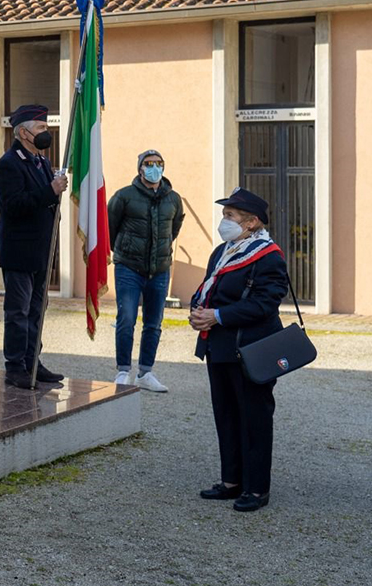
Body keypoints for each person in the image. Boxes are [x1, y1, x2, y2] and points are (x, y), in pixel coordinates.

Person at [189, 188, 289, 513]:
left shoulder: (268, 255)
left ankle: (257, 488)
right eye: (224, 215)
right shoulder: (222, 251)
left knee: (254, 418)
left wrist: (217, 316)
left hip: (251, 347)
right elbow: (209, 286)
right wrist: (198, 312)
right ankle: (231, 481)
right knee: (226, 415)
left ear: (251, 223)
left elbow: (265, 302)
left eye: (230, 216)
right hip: (219, 346)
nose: (224, 221)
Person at [0, 104, 68, 390]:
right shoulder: (9, 164)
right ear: (23, 132)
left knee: (37, 309)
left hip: (40, 250)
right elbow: (13, 206)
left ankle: (32, 360)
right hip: (20, 251)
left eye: (46, 129)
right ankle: (15, 367)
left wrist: (52, 190)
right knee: (18, 311)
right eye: (40, 129)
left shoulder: (41, 162)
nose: (45, 134)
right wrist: (50, 191)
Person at [106, 149, 183, 392]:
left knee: (154, 323)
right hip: (128, 267)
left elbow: (174, 228)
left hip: (159, 270)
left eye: (158, 163)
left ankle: (145, 372)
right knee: (126, 319)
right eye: (149, 164)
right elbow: (111, 225)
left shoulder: (173, 198)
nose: (154, 168)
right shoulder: (124, 196)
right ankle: (123, 371)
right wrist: (123, 250)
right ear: (140, 168)